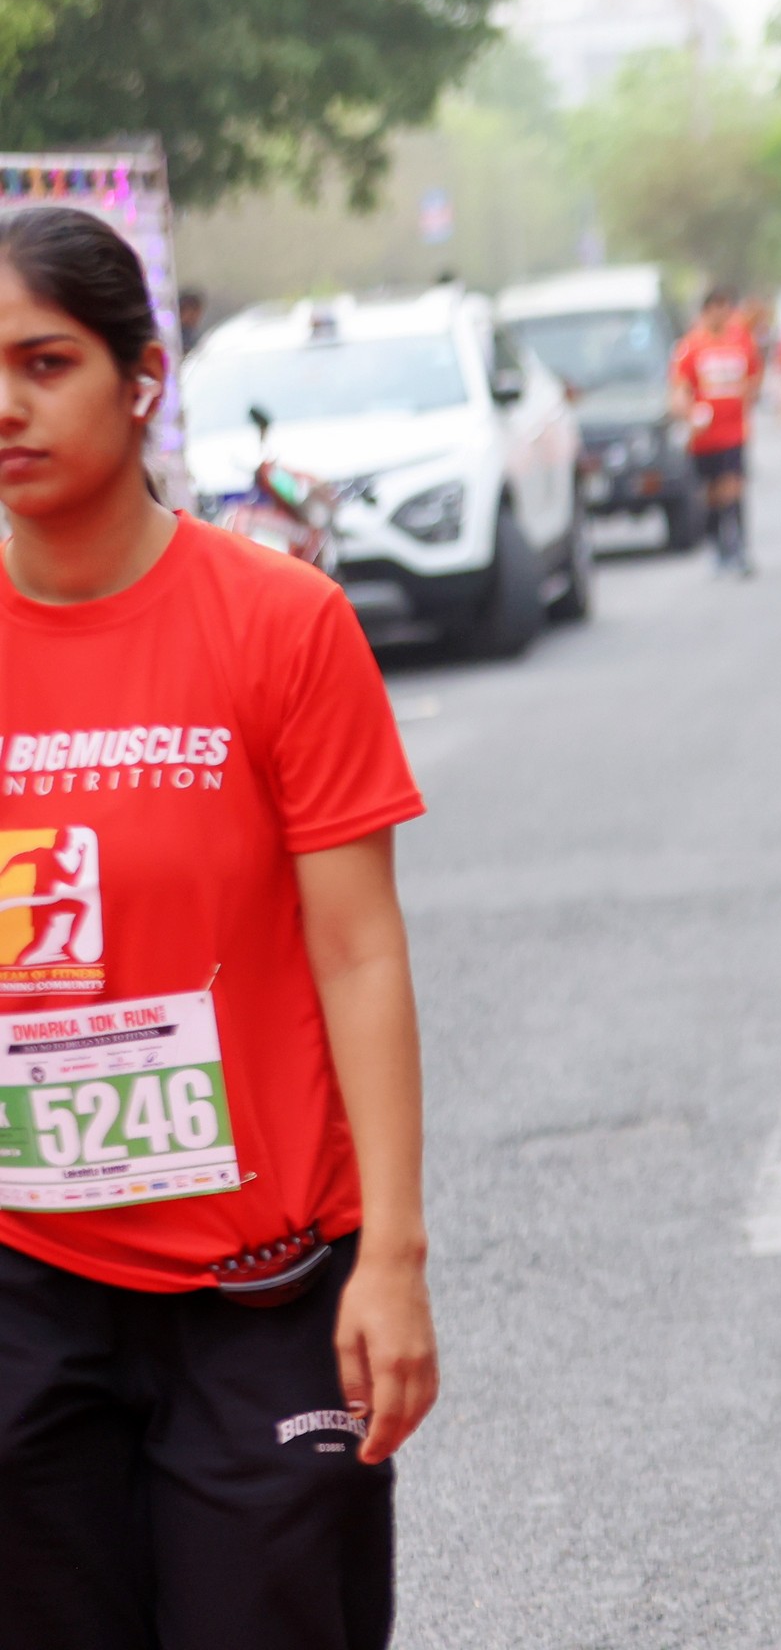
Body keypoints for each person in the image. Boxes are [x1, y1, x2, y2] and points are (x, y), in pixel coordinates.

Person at [0, 205, 436, 1649]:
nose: (7, 406)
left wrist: (391, 1258)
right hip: (24, 1293)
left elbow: (360, 953)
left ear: (142, 381)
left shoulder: (282, 624)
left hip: (262, 1289)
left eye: (44, 362)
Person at [670, 288, 760, 576]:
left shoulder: (741, 341)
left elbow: (753, 377)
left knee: (733, 487)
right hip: (705, 437)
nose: (721, 315)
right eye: (716, 309)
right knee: (711, 494)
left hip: (734, 432)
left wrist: (746, 397)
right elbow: (680, 389)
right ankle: (717, 546)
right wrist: (689, 414)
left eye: (725, 309)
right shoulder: (691, 346)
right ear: (706, 312)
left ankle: (738, 548)